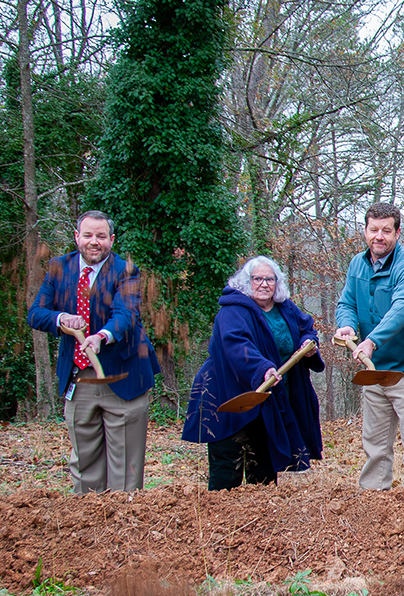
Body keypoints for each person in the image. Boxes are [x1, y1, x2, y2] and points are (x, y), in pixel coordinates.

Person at [27, 210, 160, 493]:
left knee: (125, 470)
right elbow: (36, 313)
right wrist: (61, 320)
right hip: (79, 378)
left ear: (111, 240)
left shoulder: (126, 271)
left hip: (123, 376)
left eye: (101, 236)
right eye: (88, 235)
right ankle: (89, 528)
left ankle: (123, 526)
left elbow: (125, 314)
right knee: (85, 466)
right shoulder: (57, 268)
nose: (94, 241)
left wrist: (102, 335)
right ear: (77, 237)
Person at [182, 256, 324, 489]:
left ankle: (262, 519)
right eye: (257, 278)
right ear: (246, 281)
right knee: (227, 470)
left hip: (267, 399)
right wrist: (262, 368)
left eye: (270, 279)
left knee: (264, 472)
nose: (264, 284)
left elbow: (306, 328)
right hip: (230, 395)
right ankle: (221, 521)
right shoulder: (233, 311)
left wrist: (308, 343)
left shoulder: (285, 307)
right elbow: (237, 346)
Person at [335, 202, 404, 490]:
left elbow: (401, 311)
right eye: (373, 230)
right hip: (377, 370)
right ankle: (373, 502)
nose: (378, 236)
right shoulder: (357, 264)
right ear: (365, 231)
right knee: (375, 445)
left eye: (386, 230)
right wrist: (347, 324)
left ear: (397, 233)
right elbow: (347, 302)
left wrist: (371, 341)